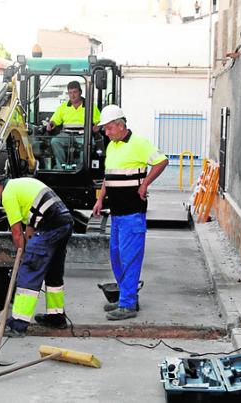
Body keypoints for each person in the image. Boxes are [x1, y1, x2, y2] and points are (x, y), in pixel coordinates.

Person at [92, 105, 169, 320]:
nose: (106, 133)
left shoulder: (139, 143)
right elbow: (109, 176)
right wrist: (100, 199)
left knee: (130, 259)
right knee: (117, 257)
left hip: (132, 213)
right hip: (117, 213)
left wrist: (144, 185)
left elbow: (162, 161)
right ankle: (127, 297)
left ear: (120, 125)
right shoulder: (112, 147)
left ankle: (127, 305)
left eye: (108, 129)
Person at [0, 170, 73, 336]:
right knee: (53, 272)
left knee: (28, 272)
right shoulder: (19, 185)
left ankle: (18, 324)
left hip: (49, 226)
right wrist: (27, 247)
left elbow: (16, 232)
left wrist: (22, 257)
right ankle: (56, 317)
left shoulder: (8, 195)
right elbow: (30, 224)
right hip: (64, 223)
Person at [46, 80, 101, 168]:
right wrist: (50, 124)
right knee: (55, 141)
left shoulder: (90, 106)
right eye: (70, 93)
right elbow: (54, 120)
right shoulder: (63, 106)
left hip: (83, 134)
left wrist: (97, 126)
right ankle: (62, 167)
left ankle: (80, 169)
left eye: (75, 92)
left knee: (89, 144)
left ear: (80, 92)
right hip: (66, 134)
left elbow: (99, 121)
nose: (72, 95)